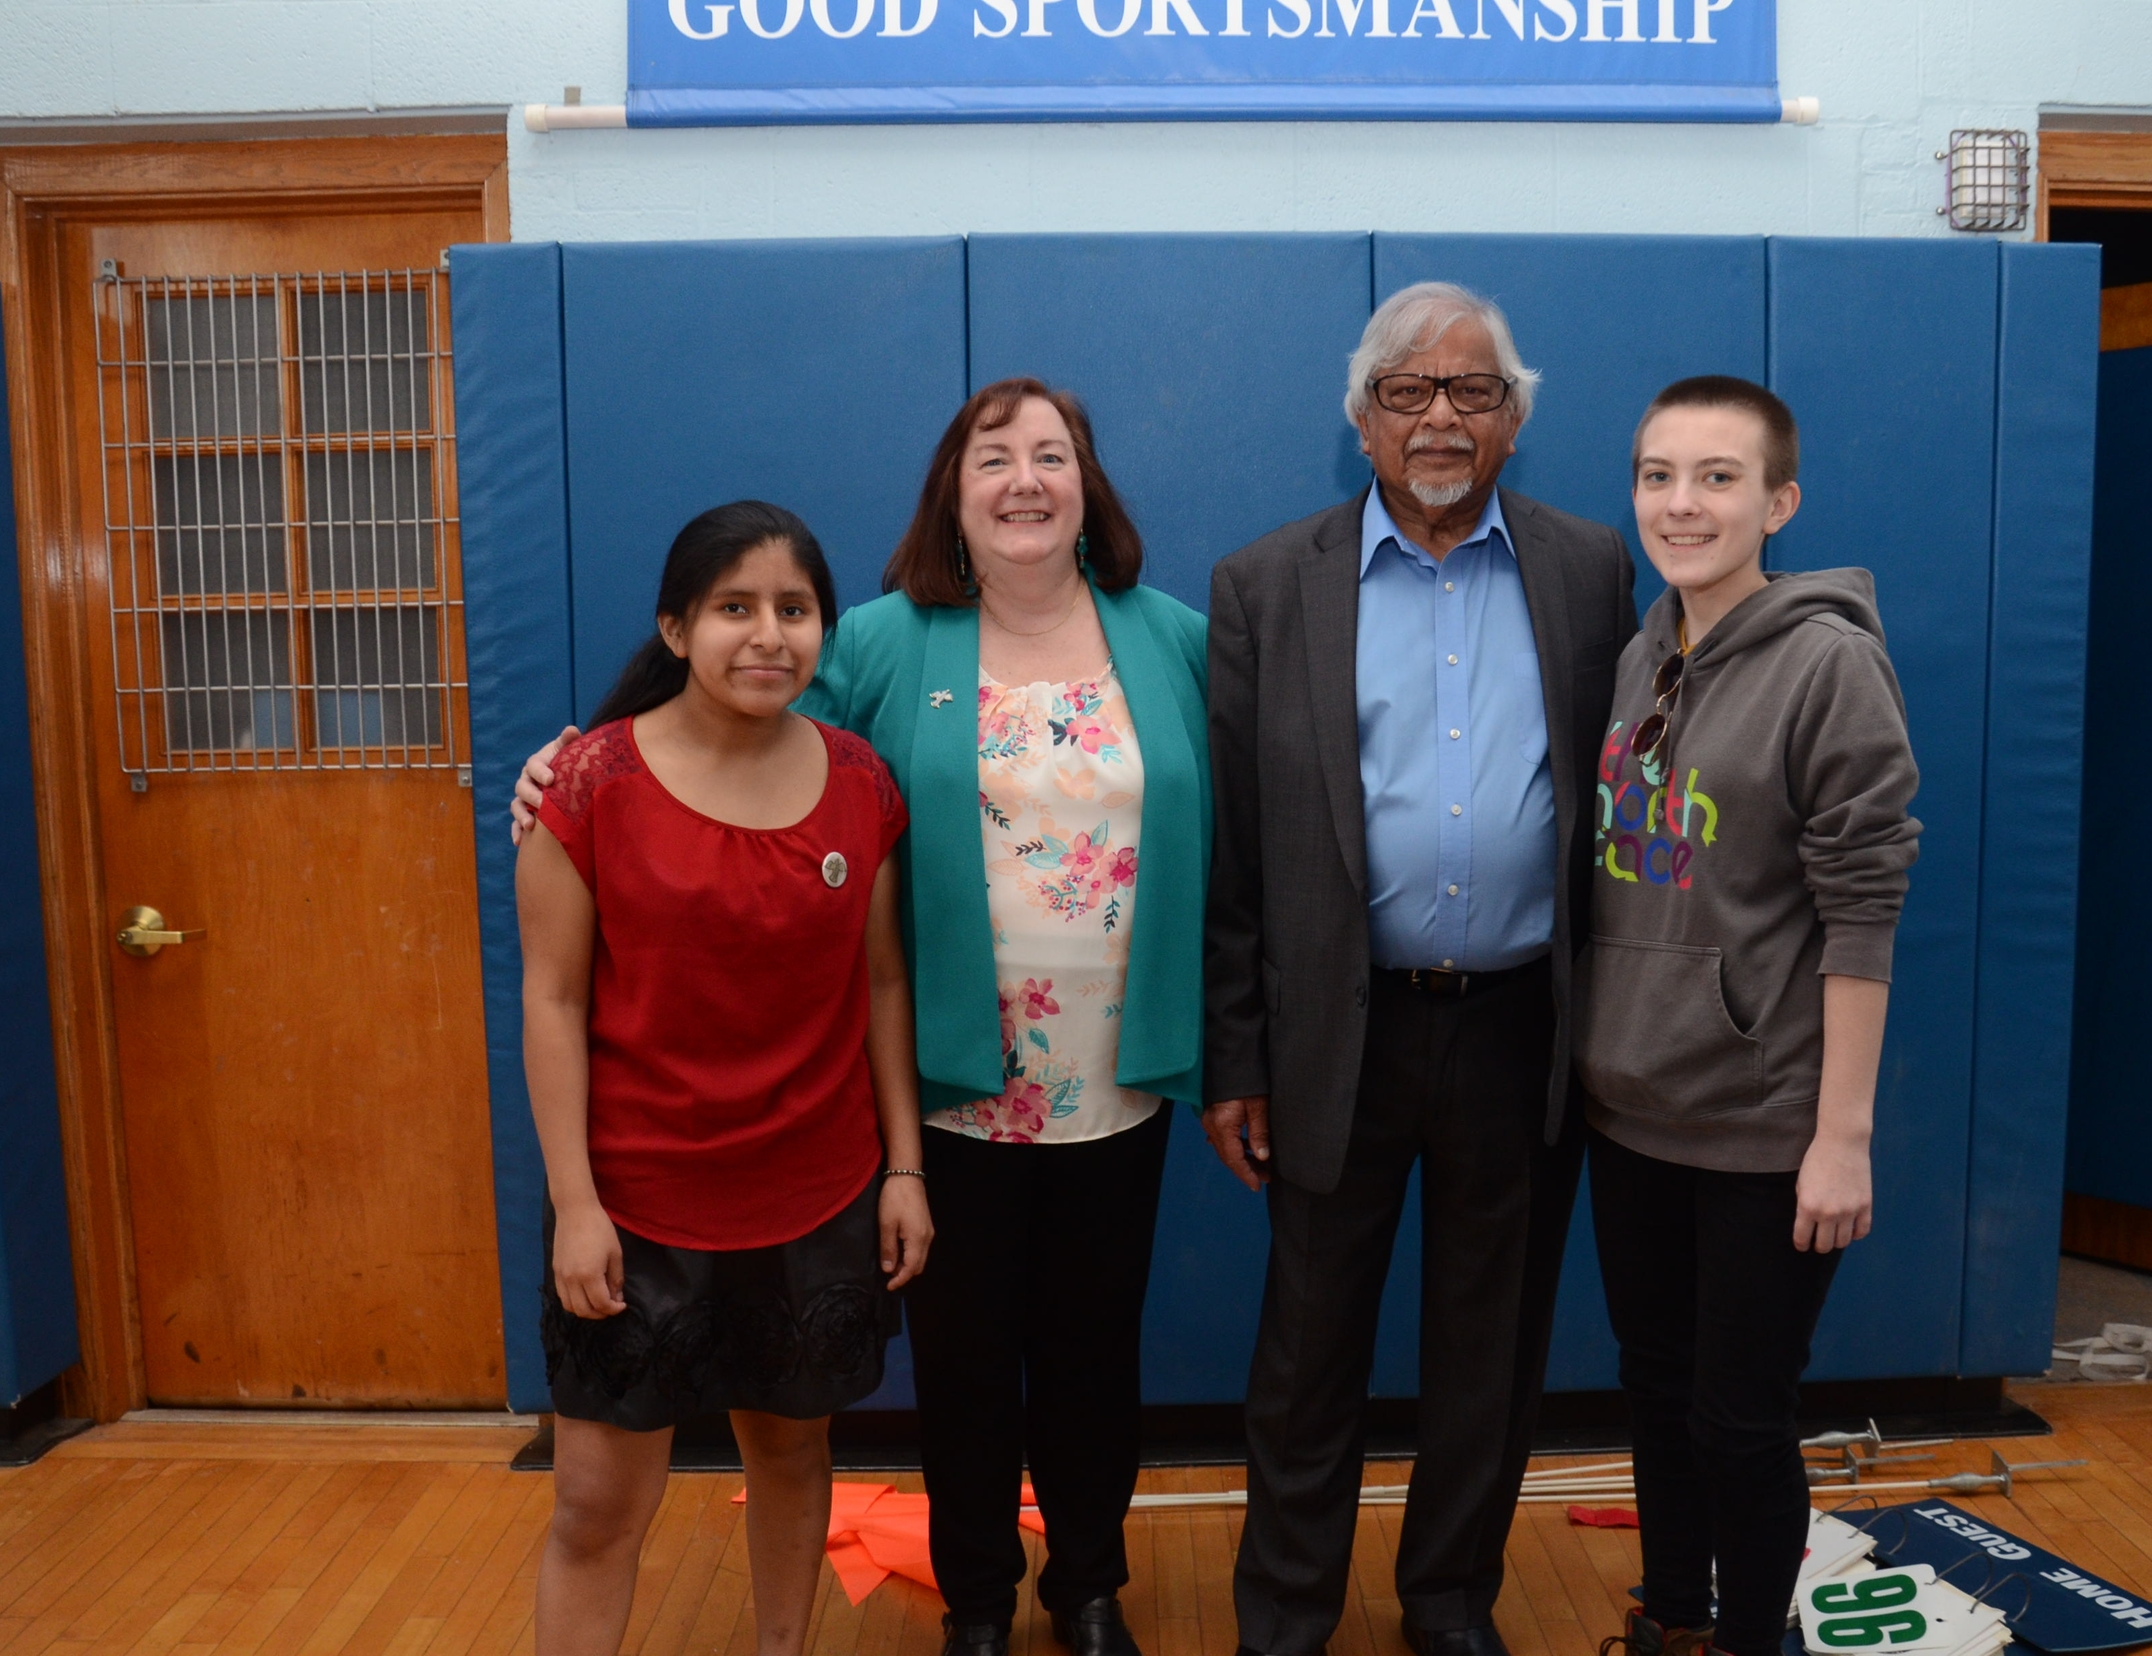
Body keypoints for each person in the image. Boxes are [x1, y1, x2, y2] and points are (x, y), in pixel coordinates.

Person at [515, 381, 1211, 1656]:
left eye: (1051, 456)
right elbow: (730, 725)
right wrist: (569, 767)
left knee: (1093, 1351)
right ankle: (979, 1598)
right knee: (959, 1363)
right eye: (991, 457)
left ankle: (1090, 1586)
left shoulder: (1173, 637)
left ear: (1088, 484)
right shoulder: (887, 640)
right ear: (952, 493)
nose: (1024, 480)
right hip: (941, 1078)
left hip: (1118, 1069)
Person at [1203, 282, 1636, 1656]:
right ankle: (1283, 1618)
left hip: (1520, 1033)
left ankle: (1449, 1605)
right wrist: (1236, 1061)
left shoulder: (1590, 570)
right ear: (1360, 419)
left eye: (1471, 392)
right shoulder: (1268, 586)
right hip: (1340, 1036)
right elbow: (1234, 855)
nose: (1439, 416)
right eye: (1407, 392)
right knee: (1307, 1356)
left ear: (1514, 421)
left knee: (1491, 1357)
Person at [517, 500, 934, 1656]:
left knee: (794, 1456)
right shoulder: (588, 785)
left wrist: (903, 1167)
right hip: (636, 1207)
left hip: (815, 1197)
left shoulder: (862, 784)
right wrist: (575, 1207)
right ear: (674, 626)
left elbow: (885, 986)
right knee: (598, 1503)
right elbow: (551, 1001)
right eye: (733, 608)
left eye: (793, 610)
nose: (767, 636)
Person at [1584, 378, 1919, 1656]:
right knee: (1658, 1396)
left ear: (1778, 501)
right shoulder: (1638, 653)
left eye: (1717, 477)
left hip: (1764, 1128)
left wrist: (1842, 1138)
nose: (1683, 502)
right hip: (1632, 1114)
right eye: (1659, 474)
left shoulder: (1829, 663)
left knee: (1736, 1417)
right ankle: (1672, 1621)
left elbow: (1861, 912)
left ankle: (1749, 1645)